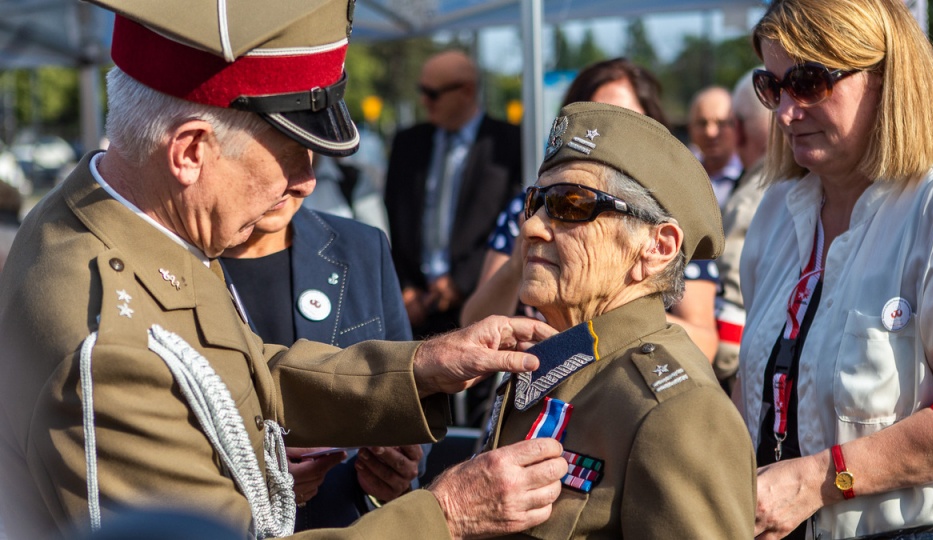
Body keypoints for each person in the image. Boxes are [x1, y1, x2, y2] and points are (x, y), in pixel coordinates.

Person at [0, 2, 570, 538]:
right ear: (190, 152)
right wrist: (446, 514)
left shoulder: (132, 221)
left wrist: (422, 368)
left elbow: (237, 371)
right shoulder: (107, 345)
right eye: (289, 155)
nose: (305, 183)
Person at [482, 102, 755, 538]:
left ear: (658, 247)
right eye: (535, 202)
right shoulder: (554, 365)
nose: (532, 227)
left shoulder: (677, 411)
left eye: (571, 205)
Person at [740, 0, 933, 538]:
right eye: (772, 87)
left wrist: (817, 480)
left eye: (809, 82)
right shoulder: (774, 212)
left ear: (886, 80)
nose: (785, 112)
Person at [462, 58, 721, 361]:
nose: (601, 133)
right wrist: (525, 257)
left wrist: (604, 317)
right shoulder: (529, 207)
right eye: (591, 117)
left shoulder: (662, 218)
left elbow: (704, 342)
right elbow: (473, 329)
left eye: (623, 118)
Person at [221, 196, 425, 529]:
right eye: (277, 152)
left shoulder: (362, 247)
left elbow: (409, 406)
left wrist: (391, 482)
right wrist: (253, 477)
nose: (301, 180)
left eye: (308, 153)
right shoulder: (178, 263)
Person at [385, 50, 522, 340]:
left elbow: (510, 221)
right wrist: (406, 287)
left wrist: (460, 283)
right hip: (416, 305)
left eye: (432, 93)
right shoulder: (408, 143)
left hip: (480, 300)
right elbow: (395, 217)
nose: (424, 101)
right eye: (421, 91)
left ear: (467, 91)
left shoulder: (507, 144)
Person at [713, 69, 772, 394]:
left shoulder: (754, 197)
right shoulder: (808, 185)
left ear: (738, 128)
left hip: (746, 383)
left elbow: (732, 306)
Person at [687, 86, 742, 208]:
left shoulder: (751, 177)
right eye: (702, 123)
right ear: (690, 129)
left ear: (737, 126)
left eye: (721, 123)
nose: (710, 132)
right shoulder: (681, 175)